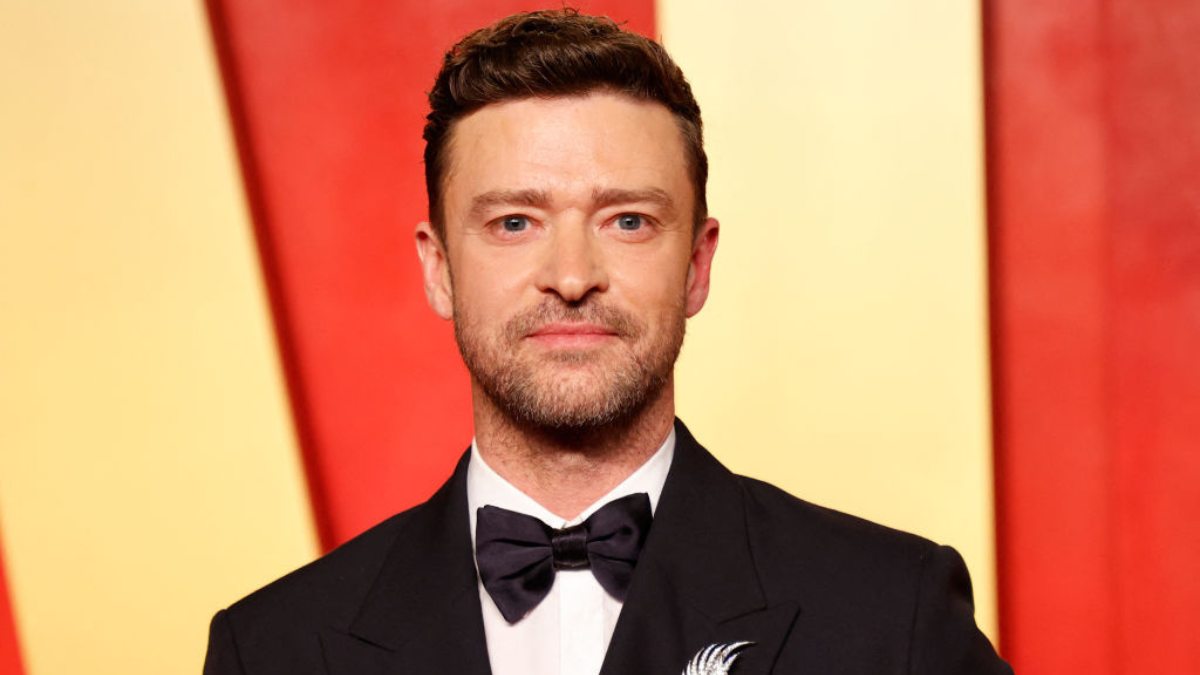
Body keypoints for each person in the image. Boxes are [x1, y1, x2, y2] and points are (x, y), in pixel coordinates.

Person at [204, 9, 1012, 675]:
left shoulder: (892, 616)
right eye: (514, 222)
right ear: (439, 269)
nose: (571, 275)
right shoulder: (271, 649)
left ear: (696, 265)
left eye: (627, 220)